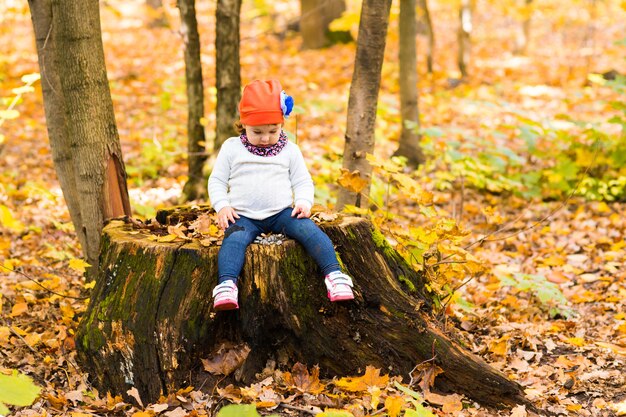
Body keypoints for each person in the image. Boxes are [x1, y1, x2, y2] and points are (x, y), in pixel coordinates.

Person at [208, 79, 355, 310]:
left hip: (281, 213)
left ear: (282, 124)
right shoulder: (231, 148)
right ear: (243, 124)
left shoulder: (289, 150)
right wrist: (222, 205)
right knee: (234, 240)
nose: (265, 138)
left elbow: (302, 180)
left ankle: (335, 276)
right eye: (257, 132)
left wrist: (304, 202)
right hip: (243, 216)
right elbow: (217, 180)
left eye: (272, 131)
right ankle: (227, 285)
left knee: (309, 231)